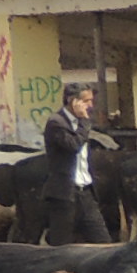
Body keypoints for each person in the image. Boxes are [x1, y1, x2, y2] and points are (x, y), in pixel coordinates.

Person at [39, 84, 111, 245]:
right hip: (64, 193)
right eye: (86, 101)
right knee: (62, 244)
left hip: (85, 191)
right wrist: (85, 122)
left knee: (103, 242)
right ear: (73, 101)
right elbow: (73, 145)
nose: (90, 106)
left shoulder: (80, 125)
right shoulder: (56, 122)